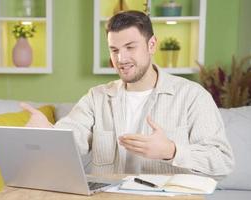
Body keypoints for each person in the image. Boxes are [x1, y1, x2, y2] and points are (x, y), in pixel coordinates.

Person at [21, 10, 234, 180]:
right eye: (114, 50)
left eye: (130, 47)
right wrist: (47, 133)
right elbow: (72, 134)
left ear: (152, 45)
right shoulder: (97, 97)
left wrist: (171, 150)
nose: (121, 58)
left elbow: (222, 162)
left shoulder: (192, 96)